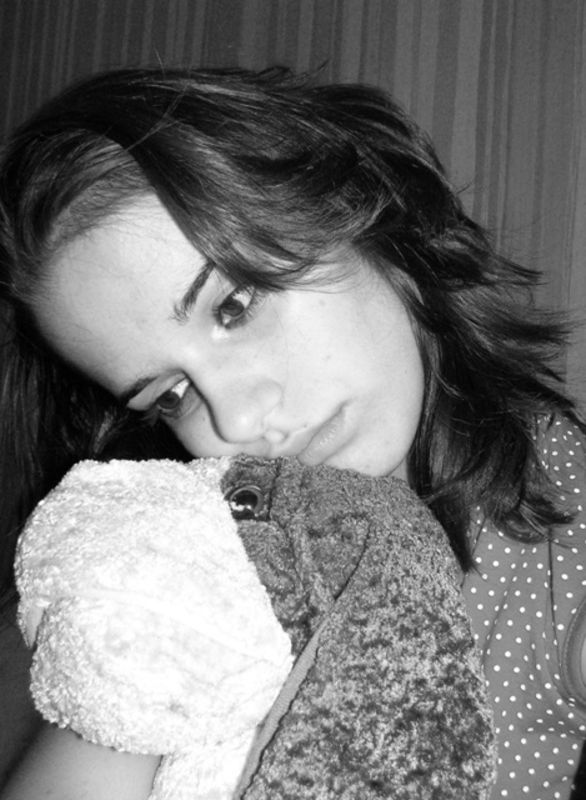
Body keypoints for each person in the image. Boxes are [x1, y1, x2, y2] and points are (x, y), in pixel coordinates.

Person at [0, 66, 584, 800]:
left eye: (236, 306)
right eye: (171, 394)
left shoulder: (558, 531)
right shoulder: (204, 537)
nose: (238, 422)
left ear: (356, 203)